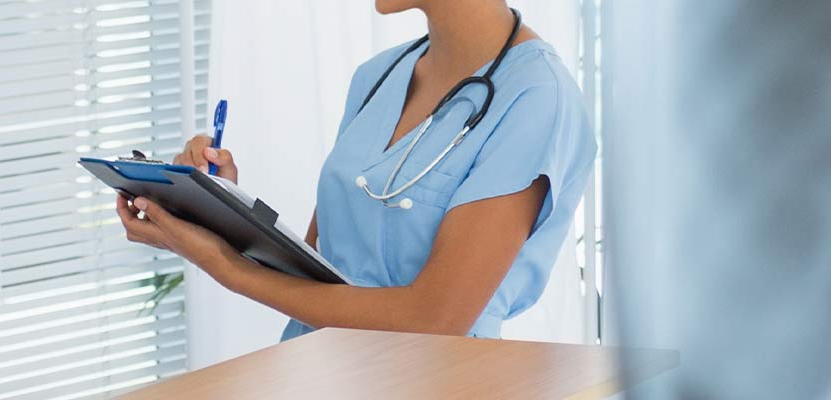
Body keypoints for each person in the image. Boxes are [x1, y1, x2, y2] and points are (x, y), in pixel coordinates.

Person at [117, 0, 596, 340]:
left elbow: (436, 318)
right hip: (317, 369)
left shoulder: (536, 96)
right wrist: (217, 207)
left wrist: (226, 267)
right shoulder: (378, 76)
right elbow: (314, 269)